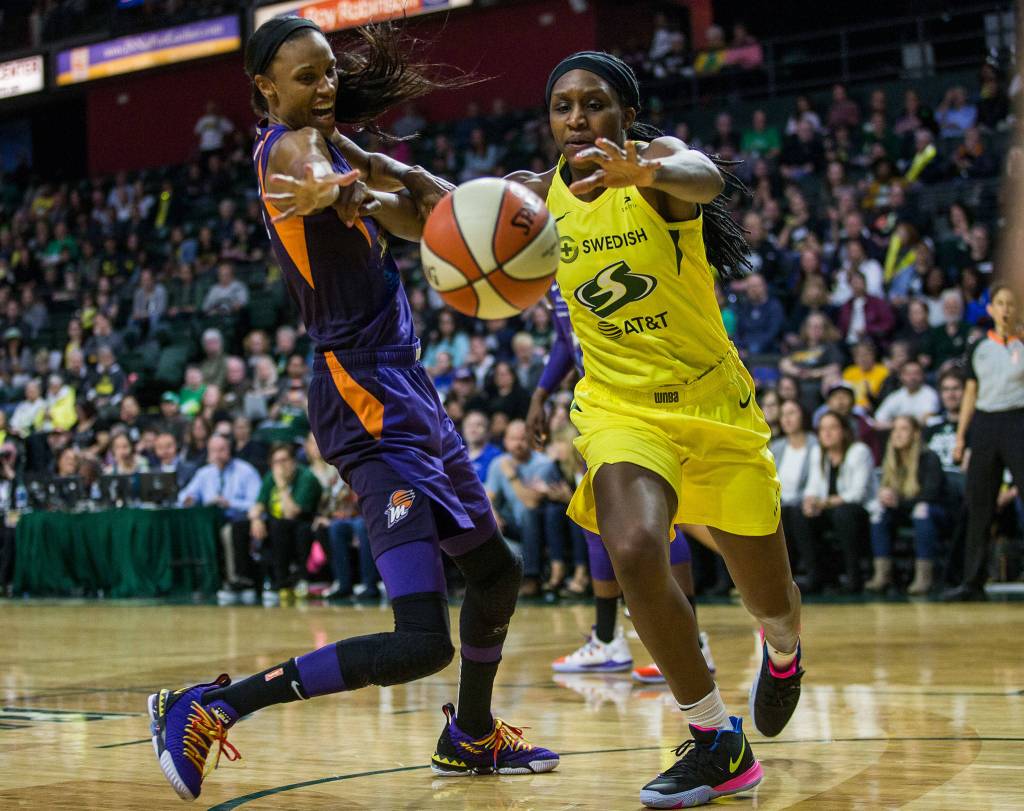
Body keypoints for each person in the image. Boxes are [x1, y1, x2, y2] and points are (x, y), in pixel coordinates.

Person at [148, 18, 557, 802]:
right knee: (418, 642)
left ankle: (470, 737)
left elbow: (427, 215)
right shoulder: (285, 151)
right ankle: (213, 704)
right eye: (305, 78)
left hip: (410, 388)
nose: (325, 86)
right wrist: (337, 186)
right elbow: (308, 169)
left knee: (497, 573)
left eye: (330, 71)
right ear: (267, 92)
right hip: (359, 393)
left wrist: (504, 200)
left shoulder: (343, 151)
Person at [510, 51, 802, 808]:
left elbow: (704, 173)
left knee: (770, 598)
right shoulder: (535, 199)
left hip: (713, 408)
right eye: (563, 106)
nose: (577, 118)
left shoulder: (662, 167)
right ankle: (715, 740)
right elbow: (439, 205)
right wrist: (359, 179)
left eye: (595, 103)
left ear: (626, 116)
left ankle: (784, 649)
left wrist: (649, 173)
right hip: (619, 409)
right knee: (635, 544)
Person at [529, 283, 714, 683]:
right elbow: (567, 339)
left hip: (638, 397)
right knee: (598, 519)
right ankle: (611, 638)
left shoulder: (599, 247)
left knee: (661, 519)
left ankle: (688, 643)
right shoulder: (552, 263)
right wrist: (540, 394)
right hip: (601, 403)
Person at [944, 285, 1024, 601]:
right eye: (1000, 304)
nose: (1005, 310)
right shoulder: (979, 348)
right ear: (990, 310)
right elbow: (970, 396)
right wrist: (962, 437)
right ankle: (972, 581)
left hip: (1018, 420)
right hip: (986, 424)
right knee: (979, 504)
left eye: (1011, 304)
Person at [790, 411, 875, 593]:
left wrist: (824, 503)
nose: (827, 433)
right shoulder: (817, 453)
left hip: (860, 511)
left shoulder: (859, 451)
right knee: (798, 514)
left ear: (844, 431)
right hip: (830, 510)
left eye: (832, 428)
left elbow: (857, 494)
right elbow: (812, 487)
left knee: (843, 513)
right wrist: (810, 501)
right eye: (822, 429)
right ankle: (815, 577)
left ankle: (854, 578)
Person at [866, 416, 948, 595]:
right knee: (878, 513)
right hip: (905, 510)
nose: (897, 434)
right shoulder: (891, 459)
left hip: (937, 512)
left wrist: (899, 502)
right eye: (895, 430)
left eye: (904, 429)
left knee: (922, 511)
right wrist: (884, 496)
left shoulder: (929, 457)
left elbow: (931, 495)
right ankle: (882, 574)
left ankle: (924, 576)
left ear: (916, 433)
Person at [247, 442, 323, 605]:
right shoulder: (270, 477)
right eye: (276, 462)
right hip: (278, 526)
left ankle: (289, 581)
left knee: (281, 526)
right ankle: (251, 583)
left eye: (284, 460)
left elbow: (291, 513)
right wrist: (255, 519)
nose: (280, 466)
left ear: (294, 461)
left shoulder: (305, 477)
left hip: (303, 524)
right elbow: (257, 505)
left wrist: (281, 486)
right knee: (248, 527)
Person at [770, 399, 817, 577]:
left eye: (792, 413)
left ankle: (809, 573)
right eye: (783, 415)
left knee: (794, 514)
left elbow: (815, 480)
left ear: (803, 415)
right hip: (781, 504)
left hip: (805, 502)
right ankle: (781, 576)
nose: (787, 419)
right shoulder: (778, 446)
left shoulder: (815, 444)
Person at [873, 359, 940, 429]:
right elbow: (878, 418)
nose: (912, 377)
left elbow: (926, 418)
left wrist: (899, 424)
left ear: (922, 375)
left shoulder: (930, 394)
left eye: (916, 373)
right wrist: (896, 425)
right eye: (908, 374)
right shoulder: (896, 396)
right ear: (901, 376)